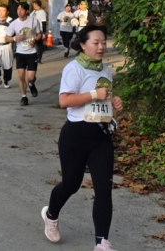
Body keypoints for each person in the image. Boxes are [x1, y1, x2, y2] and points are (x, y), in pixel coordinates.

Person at [41, 25, 123, 251]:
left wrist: (113, 102)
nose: (101, 47)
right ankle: (51, 215)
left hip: (100, 136)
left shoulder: (105, 70)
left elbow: (103, 100)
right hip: (75, 135)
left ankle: (102, 242)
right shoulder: (73, 68)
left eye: (103, 42)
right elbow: (64, 101)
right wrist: (95, 94)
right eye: (96, 43)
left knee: (104, 189)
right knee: (71, 184)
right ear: (83, 44)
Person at [5, 2, 43, 106]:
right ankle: (24, 97)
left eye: (21, 9)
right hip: (20, 53)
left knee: (31, 77)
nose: (19, 11)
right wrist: (14, 38)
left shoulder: (34, 21)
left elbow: (40, 34)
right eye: (18, 9)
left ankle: (31, 84)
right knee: (21, 76)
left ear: (27, 11)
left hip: (32, 53)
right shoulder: (14, 23)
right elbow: (6, 38)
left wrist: (35, 40)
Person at [32, 0, 48, 64]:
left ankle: (39, 58)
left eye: (34, 4)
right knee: (33, 44)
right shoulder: (33, 12)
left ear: (36, 4)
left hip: (39, 31)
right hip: (33, 31)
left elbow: (44, 22)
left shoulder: (42, 12)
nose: (33, 5)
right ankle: (34, 57)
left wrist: (44, 33)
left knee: (39, 45)